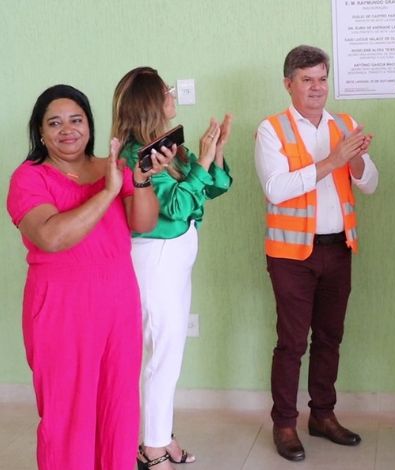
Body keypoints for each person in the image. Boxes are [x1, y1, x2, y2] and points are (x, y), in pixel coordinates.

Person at [6, 84, 167, 469]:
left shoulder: (112, 168)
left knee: (118, 405)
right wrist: (108, 191)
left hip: (118, 306)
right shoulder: (28, 178)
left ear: (89, 126)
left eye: (76, 120)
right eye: (55, 123)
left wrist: (139, 180)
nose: (68, 130)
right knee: (68, 412)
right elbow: (51, 236)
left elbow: (142, 223)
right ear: (40, 132)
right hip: (60, 310)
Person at [254, 44, 378, 462]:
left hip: (338, 248)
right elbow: (276, 189)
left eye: (322, 79)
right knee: (291, 343)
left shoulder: (345, 123)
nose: (316, 87)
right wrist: (333, 159)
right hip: (290, 255)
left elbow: (370, 182)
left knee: (330, 337)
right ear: (288, 84)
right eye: (307, 80)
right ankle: (285, 423)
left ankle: (322, 415)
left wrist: (356, 160)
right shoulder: (271, 129)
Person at [111, 66, 233, 469]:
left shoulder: (168, 146)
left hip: (175, 260)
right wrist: (203, 164)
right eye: (165, 89)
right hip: (155, 260)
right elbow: (178, 206)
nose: (172, 93)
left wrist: (216, 153)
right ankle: (153, 447)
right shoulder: (137, 156)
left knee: (166, 354)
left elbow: (212, 187)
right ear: (151, 100)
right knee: (164, 355)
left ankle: (158, 435)